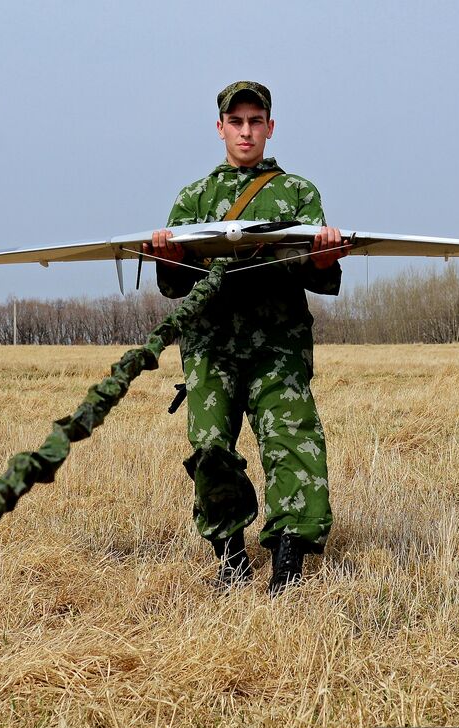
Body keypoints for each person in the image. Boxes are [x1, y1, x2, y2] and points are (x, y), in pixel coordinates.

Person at [144, 81, 347, 594]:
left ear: (270, 127)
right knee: (211, 449)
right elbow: (175, 287)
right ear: (220, 129)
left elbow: (317, 274)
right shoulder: (194, 199)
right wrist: (169, 257)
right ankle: (231, 556)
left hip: (278, 347)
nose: (246, 131)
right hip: (210, 348)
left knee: (292, 443)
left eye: (255, 121)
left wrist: (324, 256)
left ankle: (287, 562)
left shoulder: (298, 192)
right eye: (236, 122)